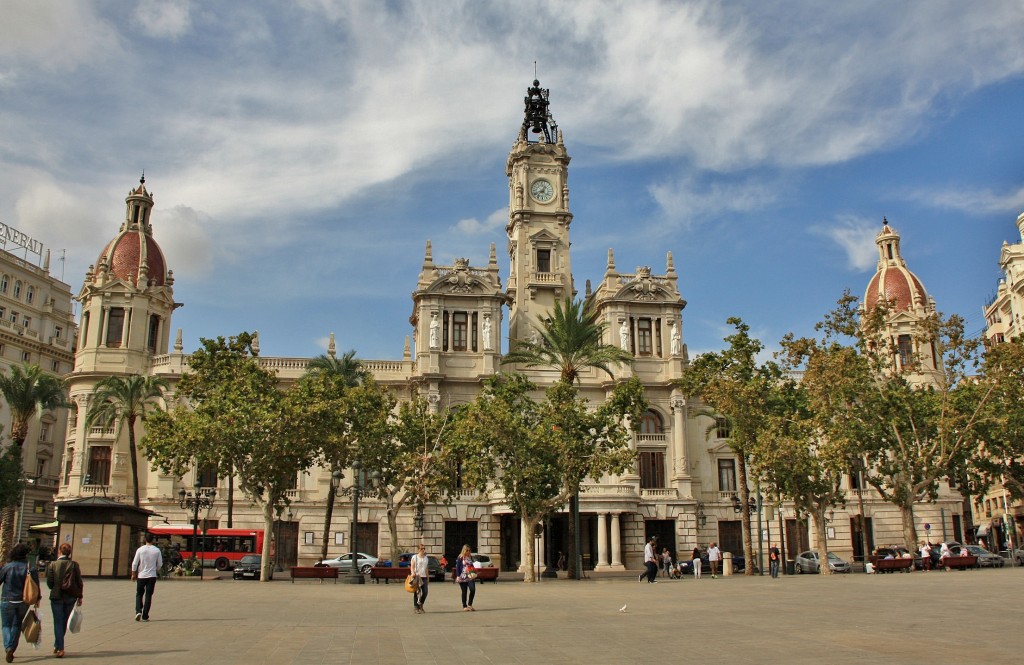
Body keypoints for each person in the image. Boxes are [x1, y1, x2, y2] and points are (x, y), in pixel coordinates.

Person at [0, 543, 39, 663]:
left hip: (7, 599)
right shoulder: (30, 567)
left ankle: (8, 647)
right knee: (17, 624)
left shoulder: (8, 566)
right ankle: (12, 647)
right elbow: (35, 585)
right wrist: (37, 599)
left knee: (6, 625)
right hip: (23, 601)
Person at [46, 543, 83, 658]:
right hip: (70, 597)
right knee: (64, 621)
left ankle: (60, 647)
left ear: (59, 552)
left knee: (58, 621)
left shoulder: (52, 565)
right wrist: (80, 596)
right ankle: (57, 645)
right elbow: (79, 581)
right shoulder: (74, 565)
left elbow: (50, 583)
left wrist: (56, 586)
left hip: (57, 596)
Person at [131, 532, 163, 622]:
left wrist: (133, 574)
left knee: (139, 594)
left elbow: (135, 563)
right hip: (152, 576)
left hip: (141, 575)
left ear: (145, 539)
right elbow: (160, 564)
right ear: (153, 540)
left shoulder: (140, 550)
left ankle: (138, 611)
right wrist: (155, 570)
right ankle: (145, 615)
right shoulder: (157, 550)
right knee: (148, 595)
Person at [409, 543, 430, 614]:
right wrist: (413, 573)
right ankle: (416, 607)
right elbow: (412, 566)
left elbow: (426, 568)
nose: (423, 550)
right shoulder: (415, 557)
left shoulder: (426, 558)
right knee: (417, 592)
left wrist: (427, 577)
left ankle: (420, 603)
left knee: (425, 592)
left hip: (423, 577)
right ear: (418, 549)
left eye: (424, 548)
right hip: (417, 576)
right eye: (421, 549)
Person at [455, 545, 476, 611]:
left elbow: (472, 566)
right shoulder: (460, 557)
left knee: (472, 589)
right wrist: (458, 576)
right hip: (462, 577)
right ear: (464, 550)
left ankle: (470, 604)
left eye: (469, 550)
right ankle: (464, 606)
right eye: (467, 550)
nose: (468, 552)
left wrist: (473, 573)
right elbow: (458, 567)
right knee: (464, 592)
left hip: (470, 576)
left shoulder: (470, 557)